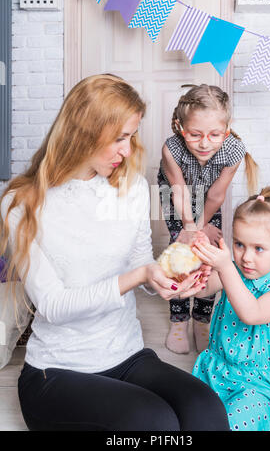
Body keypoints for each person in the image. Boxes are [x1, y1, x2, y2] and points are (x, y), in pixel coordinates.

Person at [0, 74, 229, 431]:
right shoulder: (23, 203)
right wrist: (140, 275)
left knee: (206, 410)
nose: (127, 149)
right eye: (119, 138)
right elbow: (53, 306)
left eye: (131, 136)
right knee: (156, 422)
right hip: (57, 371)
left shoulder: (132, 188)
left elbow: (141, 265)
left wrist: (167, 275)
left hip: (126, 355)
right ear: (85, 132)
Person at [157, 84, 259, 354]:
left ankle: (202, 320)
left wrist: (201, 229)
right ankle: (179, 321)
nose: (205, 143)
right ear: (181, 128)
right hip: (176, 194)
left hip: (209, 199)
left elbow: (215, 195)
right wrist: (188, 229)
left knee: (210, 249)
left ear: (226, 131)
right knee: (178, 250)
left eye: (215, 135)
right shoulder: (172, 149)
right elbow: (177, 189)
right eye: (195, 134)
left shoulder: (233, 151)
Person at [190, 187, 270, 431]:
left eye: (258, 248)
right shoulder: (234, 271)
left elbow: (251, 313)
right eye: (239, 244)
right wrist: (198, 266)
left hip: (257, 385)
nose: (246, 257)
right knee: (192, 415)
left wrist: (225, 268)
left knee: (231, 423)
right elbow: (202, 290)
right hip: (215, 370)